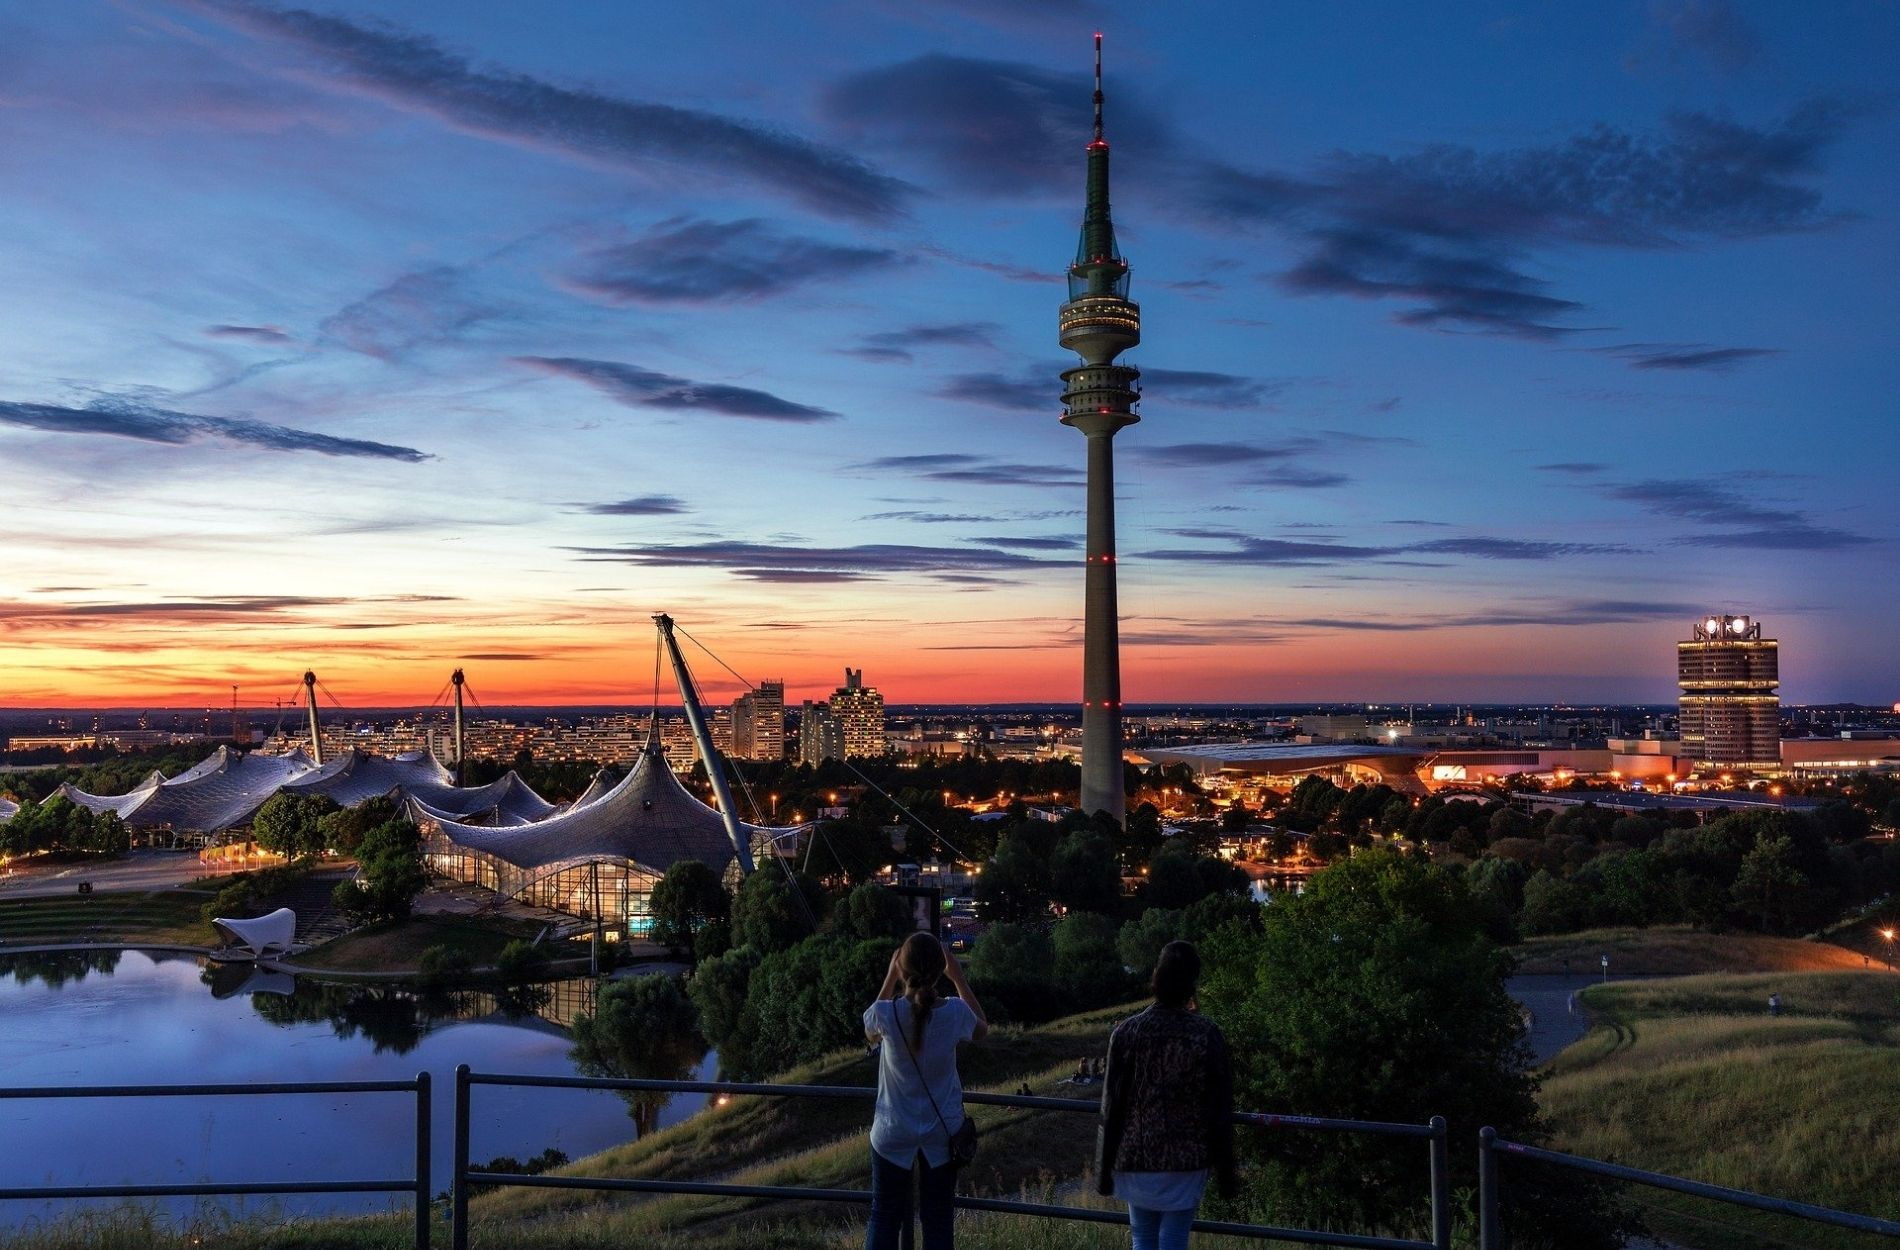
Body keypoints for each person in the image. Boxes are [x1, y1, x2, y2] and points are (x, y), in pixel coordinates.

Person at [1097, 941, 1237, 1250]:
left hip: (1135, 1155)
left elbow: (1111, 1106)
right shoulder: (1205, 1034)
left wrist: (1103, 1169)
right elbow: (1220, 1107)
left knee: (1142, 1238)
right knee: (1174, 1239)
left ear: (1156, 978)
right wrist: (1227, 1170)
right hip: (1186, 1159)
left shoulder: (1127, 1032)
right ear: (1192, 983)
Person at [863, 933, 989, 1250]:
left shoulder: (886, 1013)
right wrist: (958, 977)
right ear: (940, 971)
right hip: (942, 1133)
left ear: (903, 969)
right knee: (938, 1220)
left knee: (884, 1217)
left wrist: (892, 976)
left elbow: (870, 1033)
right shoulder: (956, 1012)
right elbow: (982, 1029)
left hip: (892, 1131)